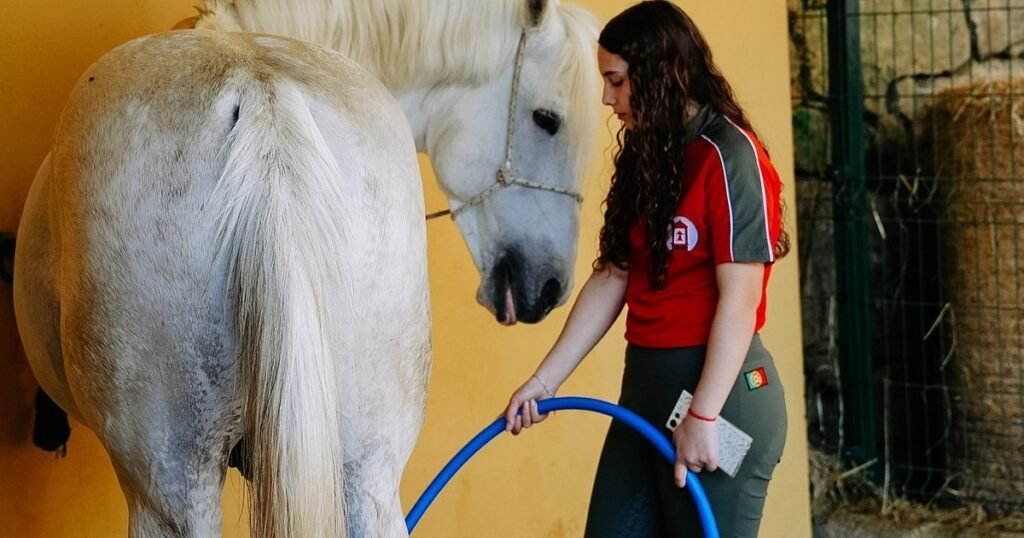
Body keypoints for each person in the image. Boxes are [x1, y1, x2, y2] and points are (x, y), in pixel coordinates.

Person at [503, 2, 790, 536]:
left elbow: (741, 300)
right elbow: (614, 275)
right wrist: (544, 381)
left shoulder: (728, 155)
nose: (608, 99)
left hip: (723, 403)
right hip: (645, 399)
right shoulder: (647, 154)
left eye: (617, 81)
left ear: (661, 72)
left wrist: (703, 416)